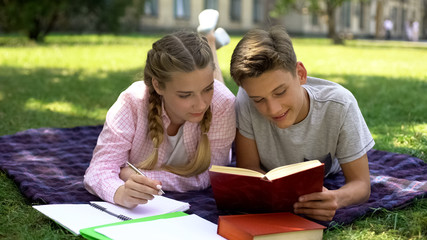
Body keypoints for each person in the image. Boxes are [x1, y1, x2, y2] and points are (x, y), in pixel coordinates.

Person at [230, 26, 374, 221]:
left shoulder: (340, 105)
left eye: (280, 92)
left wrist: (336, 198)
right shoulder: (246, 101)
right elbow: (248, 169)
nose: (273, 109)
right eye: (259, 100)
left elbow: (361, 185)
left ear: (300, 74)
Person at [84, 29, 236, 208]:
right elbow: (98, 170)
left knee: (220, 88)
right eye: (185, 95)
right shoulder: (132, 102)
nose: (202, 105)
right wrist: (120, 193)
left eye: (207, 89)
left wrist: (139, 176)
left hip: (220, 96)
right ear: (157, 85)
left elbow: (212, 175)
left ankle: (209, 41)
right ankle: (209, 39)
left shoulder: (223, 103)